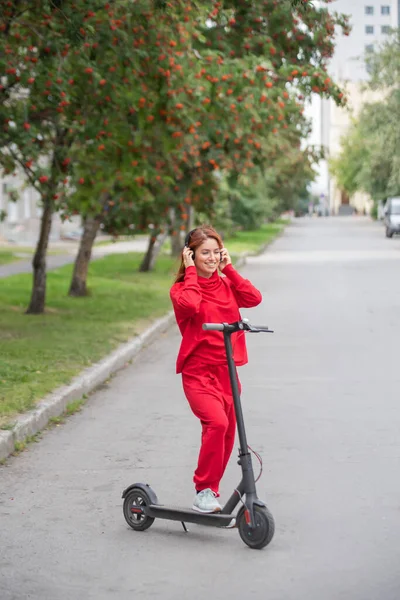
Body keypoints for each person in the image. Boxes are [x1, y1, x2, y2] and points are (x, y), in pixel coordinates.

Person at [170, 225, 262, 514]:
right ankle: (203, 491)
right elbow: (191, 304)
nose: (211, 258)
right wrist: (192, 274)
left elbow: (253, 298)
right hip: (198, 372)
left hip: (226, 372)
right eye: (204, 253)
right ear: (190, 255)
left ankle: (213, 490)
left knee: (228, 432)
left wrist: (230, 269)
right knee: (217, 423)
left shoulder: (226, 284)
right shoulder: (181, 289)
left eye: (215, 252)